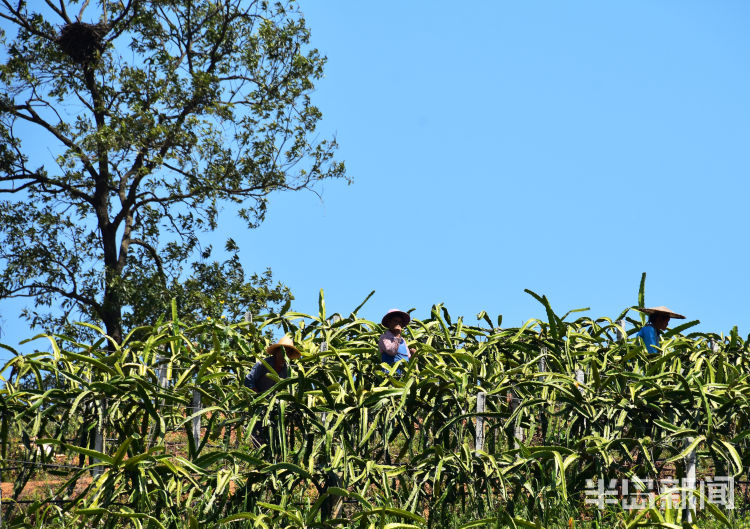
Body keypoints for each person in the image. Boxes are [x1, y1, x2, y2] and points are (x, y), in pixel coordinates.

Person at [378, 309, 416, 373]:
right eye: (395, 321)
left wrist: (413, 355)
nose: (398, 324)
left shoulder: (402, 341)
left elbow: (408, 359)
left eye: (400, 322)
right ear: (389, 323)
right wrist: (397, 336)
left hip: (403, 377)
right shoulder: (384, 338)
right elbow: (391, 351)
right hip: (390, 376)